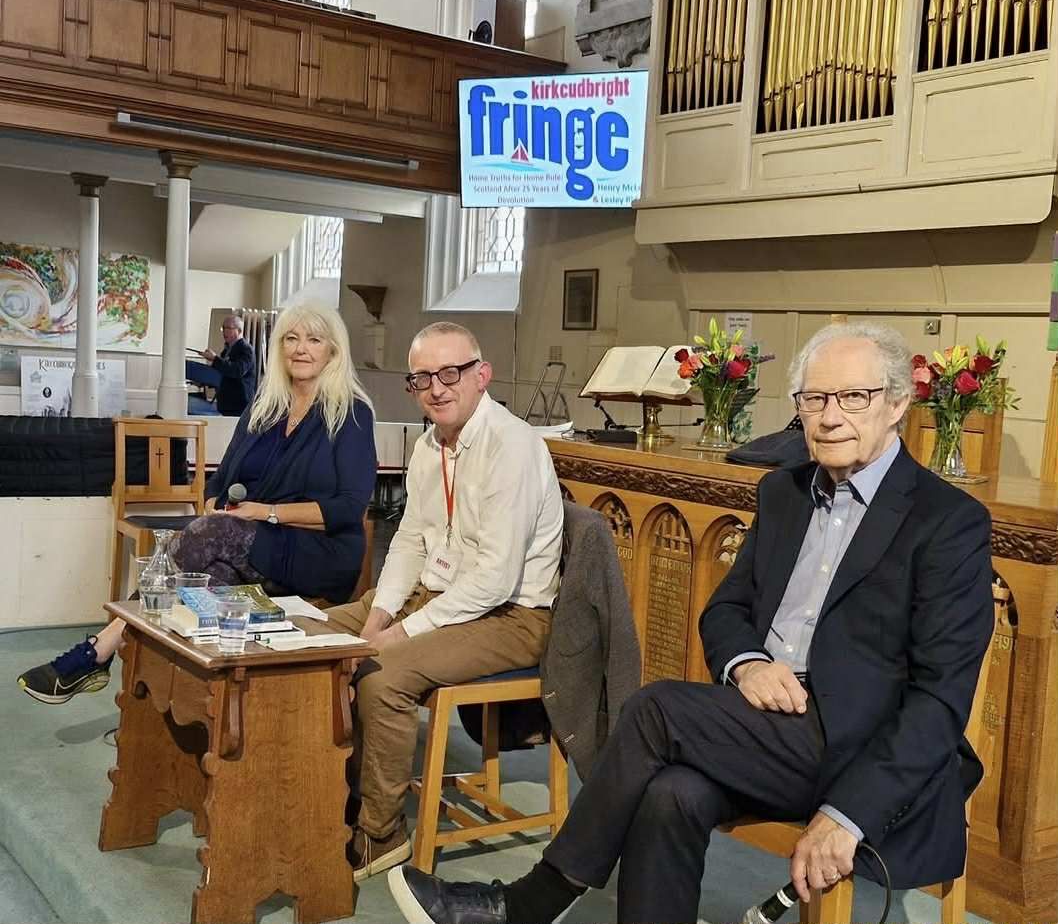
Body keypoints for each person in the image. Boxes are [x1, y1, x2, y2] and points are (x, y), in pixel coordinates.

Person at [387, 321, 995, 924]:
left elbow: (940, 701)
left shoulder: (946, 522)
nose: (831, 416)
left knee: (655, 709)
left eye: (853, 398)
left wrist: (849, 814)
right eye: (814, 399)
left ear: (896, 405)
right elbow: (726, 610)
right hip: (767, 727)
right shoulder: (784, 492)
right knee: (668, 793)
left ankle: (530, 902)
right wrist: (747, 662)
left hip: (861, 747)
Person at [17, 301, 376, 705]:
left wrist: (265, 513)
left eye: (314, 339)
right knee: (207, 582)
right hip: (252, 545)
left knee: (214, 535)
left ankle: (100, 648)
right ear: (278, 348)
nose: (301, 348)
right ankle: (171, 712)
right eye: (291, 338)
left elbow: (349, 507)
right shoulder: (263, 407)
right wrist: (210, 500)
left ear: (333, 350)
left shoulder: (352, 415)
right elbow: (222, 477)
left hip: (317, 554)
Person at [325, 321, 563, 883]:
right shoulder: (430, 444)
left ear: (482, 375)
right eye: (422, 378)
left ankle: (380, 834)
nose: (436, 388)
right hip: (444, 595)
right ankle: (327, 793)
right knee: (316, 635)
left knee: (381, 676)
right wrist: (379, 613)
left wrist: (394, 637)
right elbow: (408, 538)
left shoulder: (513, 446)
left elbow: (496, 581)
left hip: (512, 616)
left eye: (449, 373)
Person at [203, 314, 256, 416]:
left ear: (239, 331)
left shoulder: (245, 349)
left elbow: (237, 370)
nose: (224, 331)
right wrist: (203, 380)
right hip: (226, 403)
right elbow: (222, 372)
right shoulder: (227, 350)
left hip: (239, 404)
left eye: (228, 328)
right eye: (223, 328)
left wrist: (215, 358)